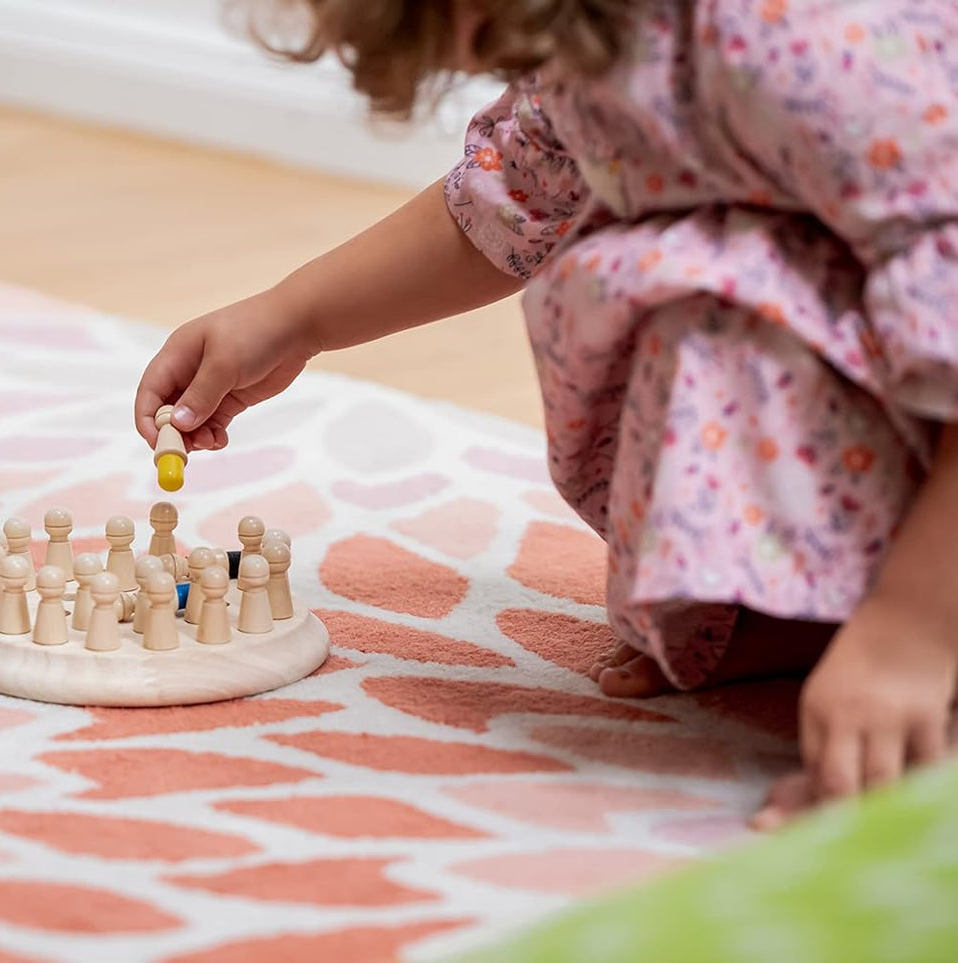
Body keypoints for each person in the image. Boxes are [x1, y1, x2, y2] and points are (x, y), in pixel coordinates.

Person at [134, 0, 958, 828]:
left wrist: (913, 628)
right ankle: (819, 615)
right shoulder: (598, 45)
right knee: (630, 272)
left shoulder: (797, 34)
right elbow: (509, 198)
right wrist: (289, 320)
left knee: (695, 279)